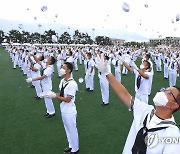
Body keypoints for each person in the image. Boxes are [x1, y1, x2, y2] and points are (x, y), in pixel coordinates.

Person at [95, 54, 180, 154]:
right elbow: (125, 95)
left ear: (174, 105)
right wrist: (107, 73)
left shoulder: (173, 134)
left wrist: (135, 67)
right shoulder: (145, 110)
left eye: (168, 92)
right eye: (164, 89)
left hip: (143, 94)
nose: (163, 92)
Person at [42, 62, 79, 154]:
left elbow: (67, 99)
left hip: (69, 110)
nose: (61, 69)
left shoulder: (72, 84)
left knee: (72, 130)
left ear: (69, 70)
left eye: (64, 67)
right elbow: (61, 94)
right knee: (67, 130)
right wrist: (51, 94)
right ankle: (71, 145)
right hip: (63, 109)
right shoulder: (63, 81)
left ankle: (75, 149)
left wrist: (54, 96)